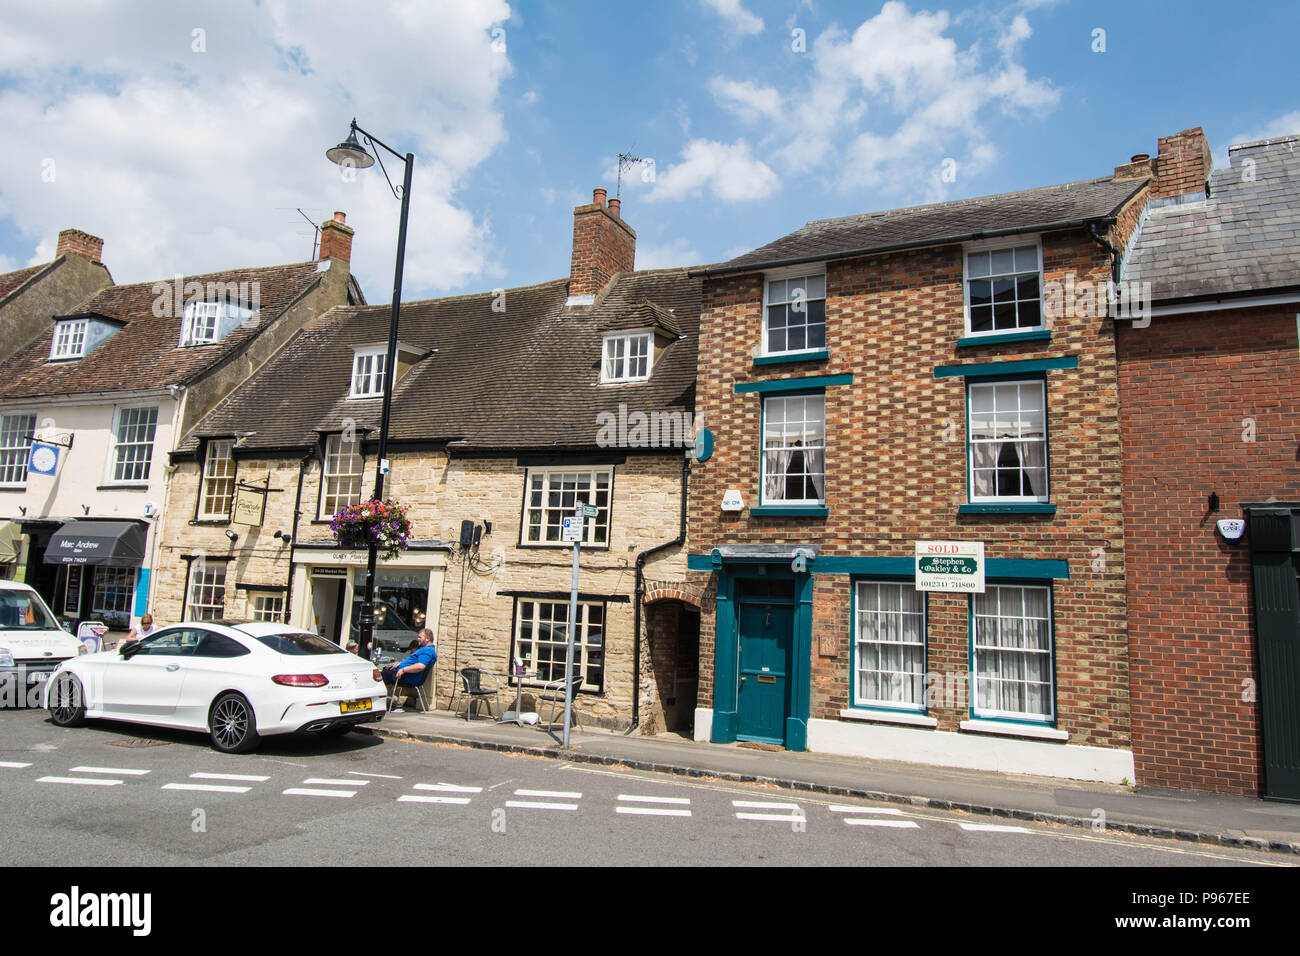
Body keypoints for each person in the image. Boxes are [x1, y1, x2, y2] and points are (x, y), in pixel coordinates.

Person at [380, 628, 436, 695]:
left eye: (420, 637)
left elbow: (420, 666)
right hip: (403, 674)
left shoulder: (427, 651)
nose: (418, 639)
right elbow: (414, 662)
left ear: (427, 639)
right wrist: (400, 664)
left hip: (407, 678)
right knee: (384, 670)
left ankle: (374, 701)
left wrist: (403, 670)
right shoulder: (424, 649)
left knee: (378, 677)